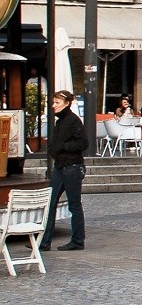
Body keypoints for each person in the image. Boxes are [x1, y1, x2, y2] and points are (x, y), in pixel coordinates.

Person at [44, 89, 87, 251]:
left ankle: (77, 240)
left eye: (57, 103)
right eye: (53, 102)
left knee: (74, 204)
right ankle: (44, 241)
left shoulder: (73, 121)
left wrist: (63, 147)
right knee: (50, 202)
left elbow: (83, 143)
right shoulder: (60, 121)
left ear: (67, 103)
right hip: (61, 166)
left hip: (72, 167)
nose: (54, 106)